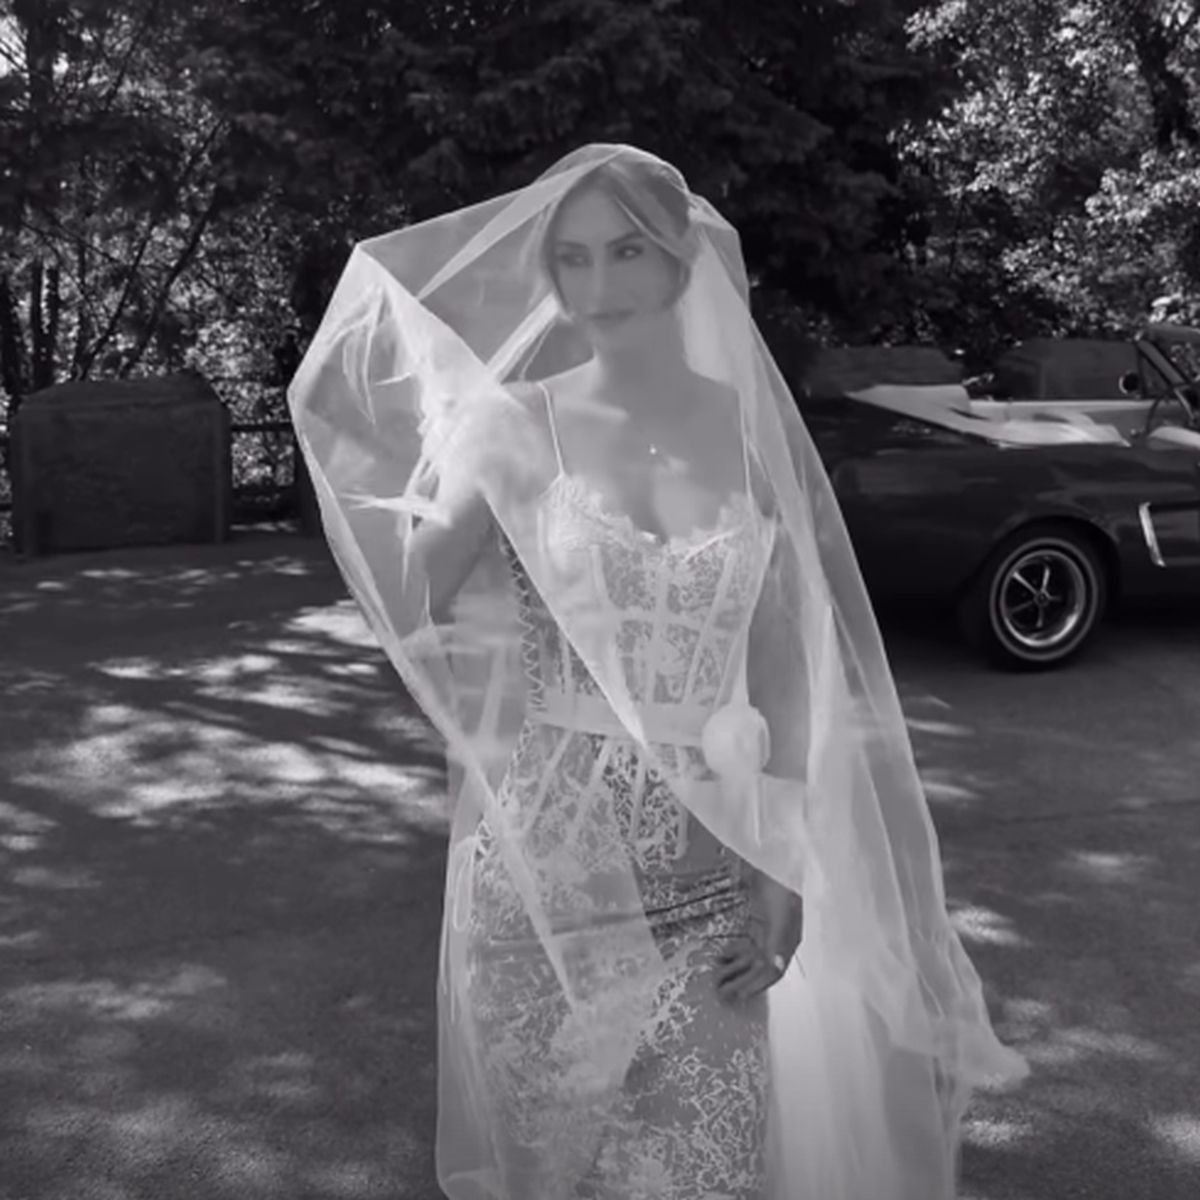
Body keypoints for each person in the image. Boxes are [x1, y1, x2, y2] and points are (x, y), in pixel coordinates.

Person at [288, 144, 1027, 1200]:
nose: (598, 285)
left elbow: (781, 665)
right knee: (562, 1179)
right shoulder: (513, 425)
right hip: (545, 886)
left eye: (627, 251)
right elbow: (413, 599)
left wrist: (782, 864)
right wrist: (445, 437)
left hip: (711, 878)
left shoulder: (750, 432)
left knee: (704, 1173)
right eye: (574, 258)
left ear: (682, 260)